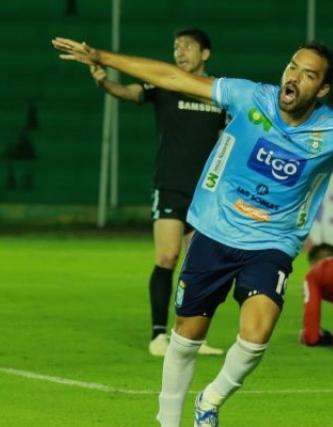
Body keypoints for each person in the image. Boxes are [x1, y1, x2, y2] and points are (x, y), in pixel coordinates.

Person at [52, 36, 333, 427]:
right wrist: (102, 56)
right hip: (214, 230)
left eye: (308, 75)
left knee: (257, 334)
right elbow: (172, 77)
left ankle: (210, 401)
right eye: (293, 67)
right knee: (187, 336)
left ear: (322, 88)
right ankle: (168, 421)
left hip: (270, 244)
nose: (294, 77)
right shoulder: (250, 97)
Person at [89, 28, 226, 357]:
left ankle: (191, 337)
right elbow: (128, 92)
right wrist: (104, 82)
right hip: (170, 186)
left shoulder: (219, 92)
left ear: (205, 53)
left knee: (199, 267)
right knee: (167, 256)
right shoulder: (164, 83)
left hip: (205, 193)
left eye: (188, 46)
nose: (180, 52)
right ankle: (158, 335)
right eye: (176, 46)